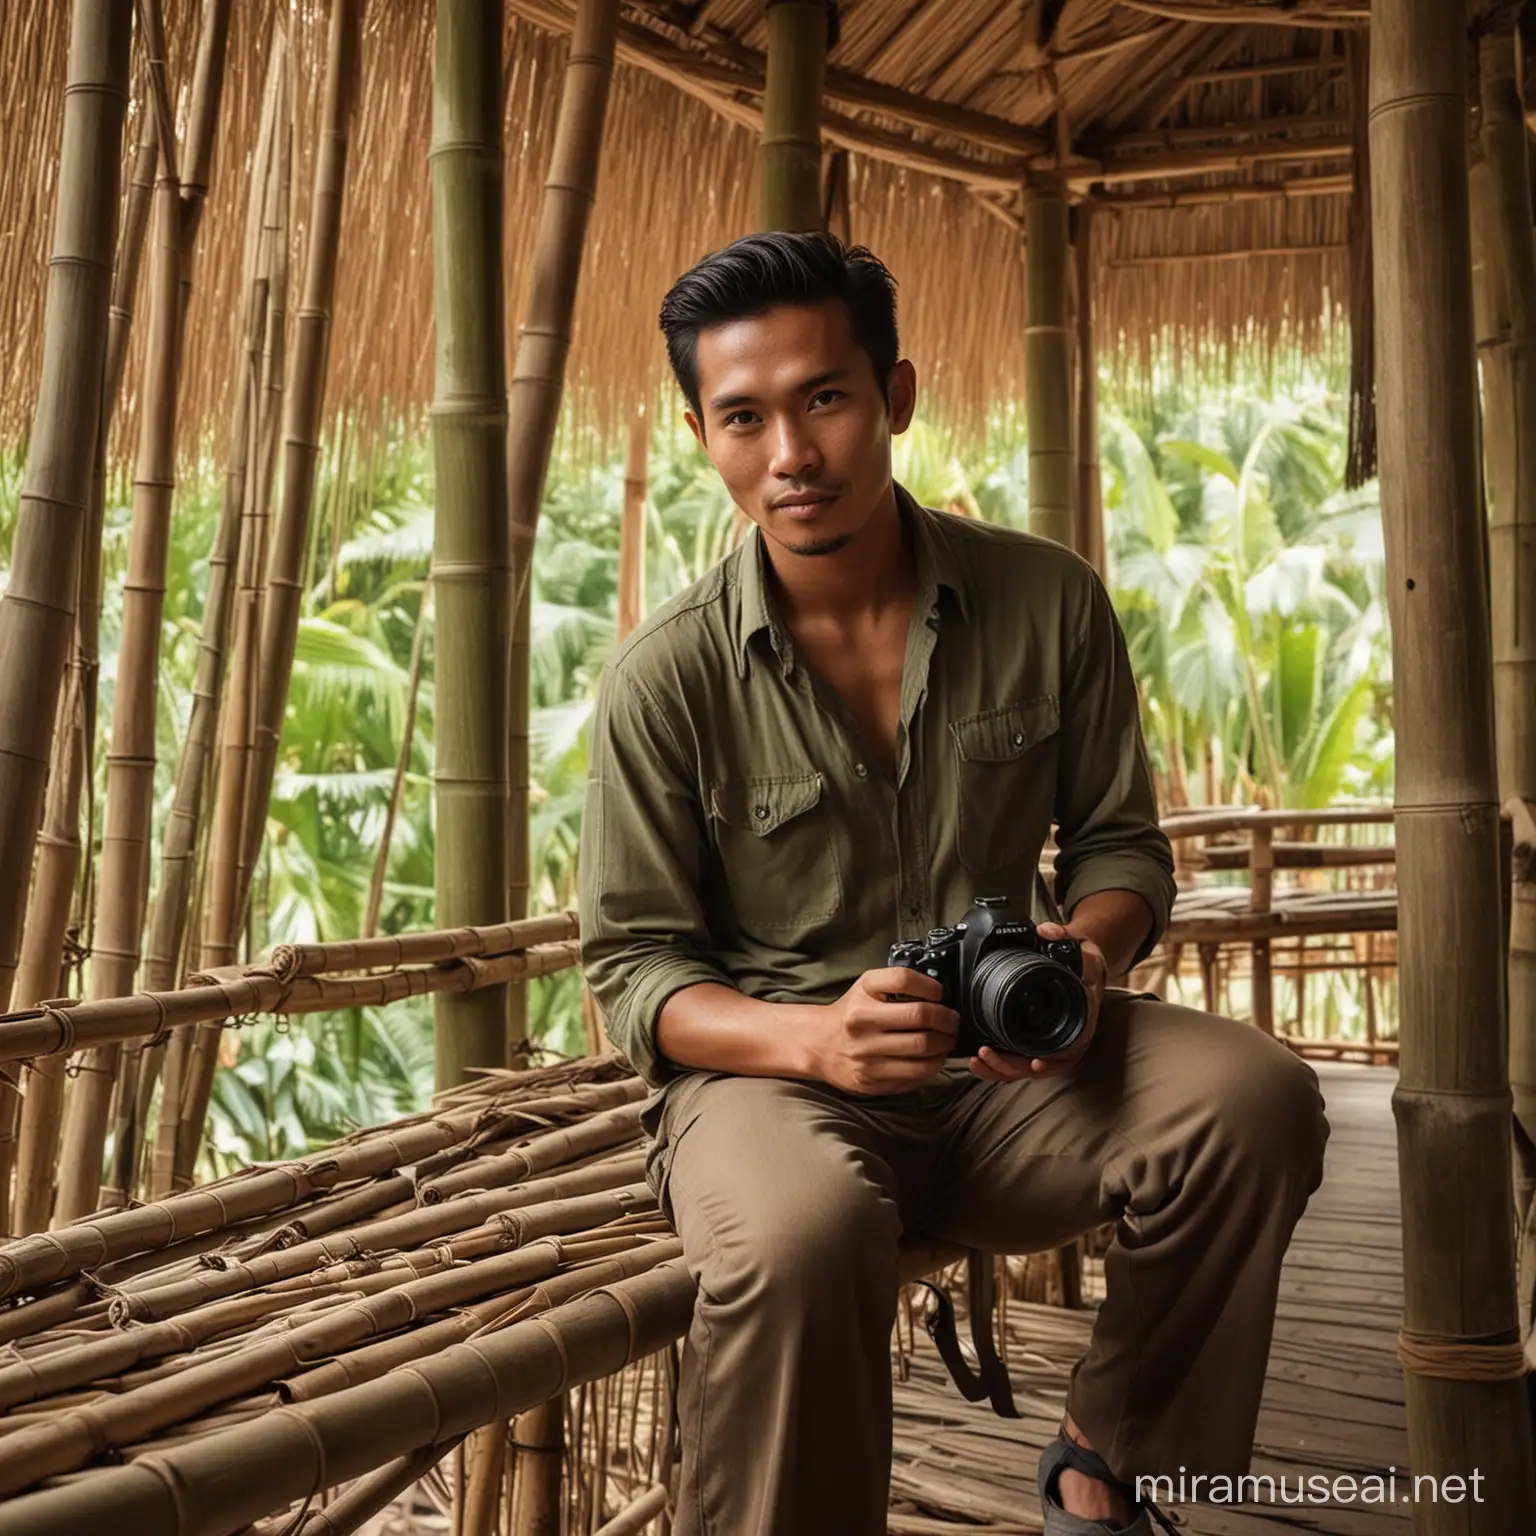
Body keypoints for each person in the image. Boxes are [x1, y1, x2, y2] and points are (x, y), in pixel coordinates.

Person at [579, 231, 1331, 1536]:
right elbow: (634, 971)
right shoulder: (666, 679)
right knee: (802, 1239)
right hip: (770, 1086)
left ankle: (1108, 1459)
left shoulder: (1049, 600)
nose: (791, 455)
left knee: (1257, 1100)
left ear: (896, 397)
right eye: (744, 418)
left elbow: (1119, 849)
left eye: (824, 398)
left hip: (1012, 1077)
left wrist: (1087, 957)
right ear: (701, 431)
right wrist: (815, 1036)